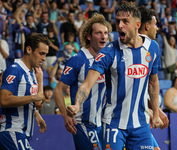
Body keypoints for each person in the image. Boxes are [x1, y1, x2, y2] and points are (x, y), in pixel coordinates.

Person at [67, 2, 163, 150]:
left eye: (125, 21)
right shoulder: (108, 52)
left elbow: (153, 83)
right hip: (113, 124)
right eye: (118, 21)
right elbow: (87, 84)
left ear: (138, 24)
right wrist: (77, 105)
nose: (120, 25)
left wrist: (156, 113)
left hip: (141, 125)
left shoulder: (153, 47)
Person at [53, 13, 112, 150]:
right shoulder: (78, 59)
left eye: (106, 33)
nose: (103, 36)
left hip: (101, 124)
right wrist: (65, 116)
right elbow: (57, 91)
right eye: (99, 33)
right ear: (89, 36)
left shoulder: (106, 60)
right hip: (82, 123)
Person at [0, 33, 49, 149]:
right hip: (12, 131)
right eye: (41, 53)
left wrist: (36, 113)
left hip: (23, 134)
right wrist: (33, 97)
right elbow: (4, 100)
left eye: (46, 54)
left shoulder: (32, 73)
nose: (44, 58)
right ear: (29, 49)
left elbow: (38, 103)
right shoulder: (14, 70)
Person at [138, 6, 169, 150]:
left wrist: (156, 110)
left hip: (141, 115)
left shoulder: (152, 48)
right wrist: (153, 111)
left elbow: (140, 91)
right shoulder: (149, 47)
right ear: (146, 26)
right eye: (155, 24)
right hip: (130, 120)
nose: (157, 28)